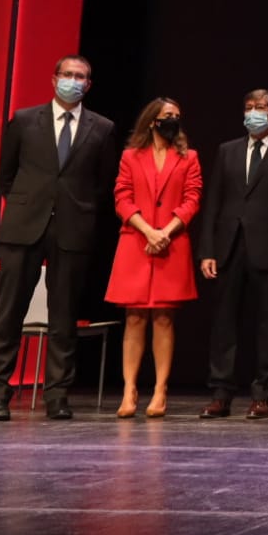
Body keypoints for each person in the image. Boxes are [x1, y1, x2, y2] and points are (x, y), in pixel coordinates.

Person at [0, 55, 119, 421]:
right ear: (54, 78)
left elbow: (102, 183)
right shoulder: (25, 120)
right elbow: (6, 175)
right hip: (24, 225)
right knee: (9, 313)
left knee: (63, 317)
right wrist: (31, 203)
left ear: (89, 85)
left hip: (72, 228)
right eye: (68, 75)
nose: (74, 81)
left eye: (81, 77)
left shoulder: (102, 128)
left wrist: (77, 207)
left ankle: (57, 394)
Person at [196, 89, 268, 419]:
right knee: (223, 324)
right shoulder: (227, 151)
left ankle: (263, 394)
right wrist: (207, 251)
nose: (253, 113)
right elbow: (213, 202)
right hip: (229, 247)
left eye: (260, 108)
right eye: (248, 108)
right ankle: (220, 393)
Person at [105, 98, 202, 419]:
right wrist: (148, 230)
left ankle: (160, 390)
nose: (172, 120)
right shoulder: (131, 157)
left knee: (163, 318)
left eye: (176, 116)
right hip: (136, 241)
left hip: (171, 243)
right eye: (166, 116)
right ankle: (129, 389)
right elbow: (122, 197)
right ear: (151, 121)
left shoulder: (189, 158)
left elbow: (192, 199)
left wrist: (166, 231)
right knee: (134, 318)